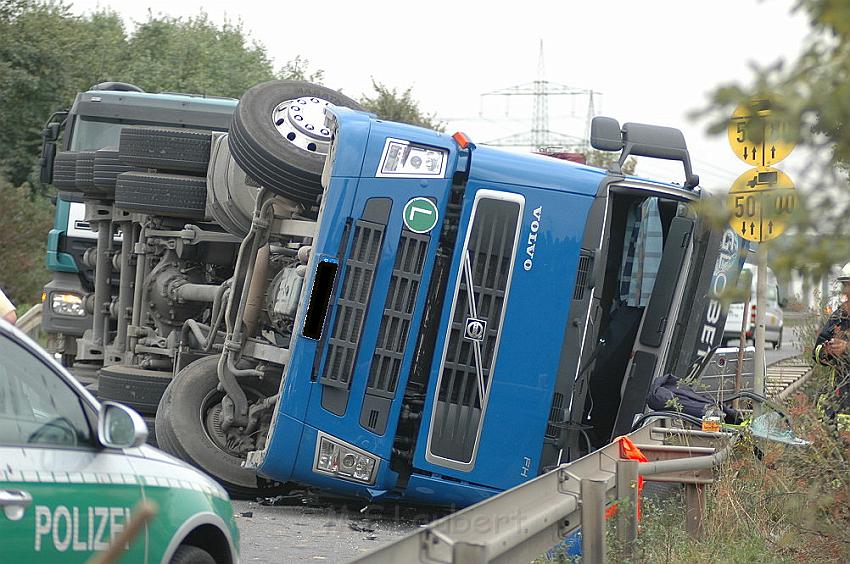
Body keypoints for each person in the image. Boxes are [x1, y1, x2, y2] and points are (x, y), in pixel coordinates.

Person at [813, 263, 850, 429]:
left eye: (848, 285)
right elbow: (818, 348)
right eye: (845, 285)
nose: (845, 291)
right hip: (840, 399)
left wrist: (847, 348)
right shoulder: (840, 315)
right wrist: (826, 352)